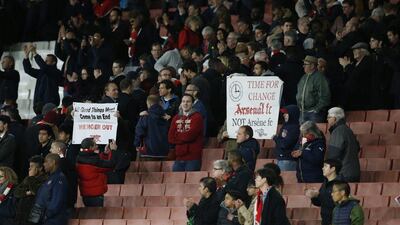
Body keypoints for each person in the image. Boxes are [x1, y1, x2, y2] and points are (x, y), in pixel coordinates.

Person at [76, 138, 116, 207]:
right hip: (96, 195)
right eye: (95, 144)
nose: (97, 146)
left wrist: (105, 154)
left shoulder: (79, 158)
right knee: (97, 215)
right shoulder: (94, 160)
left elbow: (101, 164)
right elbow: (110, 165)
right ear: (91, 147)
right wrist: (113, 151)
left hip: (85, 194)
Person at [30, 154, 68, 225]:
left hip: (53, 220)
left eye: (46, 162)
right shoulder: (50, 178)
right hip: (44, 219)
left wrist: (46, 215)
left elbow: (57, 201)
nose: (44, 164)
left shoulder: (59, 178)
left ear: (53, 162)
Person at [168, 94, 204, 171]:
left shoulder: (197, 117)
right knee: (176, 182)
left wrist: (177, 135)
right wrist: (184, 136)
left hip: (193, 158)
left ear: (192, 104)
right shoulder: (176, 118)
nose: (185, 103)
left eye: (188, 101)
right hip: (178, 157)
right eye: (183, 101)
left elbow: (190, 136)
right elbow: (170, 138)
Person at [325, 107, 360, 182]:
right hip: (353, 171)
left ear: (334, 119)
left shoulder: (338, 131)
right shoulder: (348, 130)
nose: (327, 119)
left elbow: (333, 155)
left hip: (343, 174)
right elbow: (357, 148)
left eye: (328, 117)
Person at [306, 159, 342, 225]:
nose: (323, 168)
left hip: (337, 221)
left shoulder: (340, 184)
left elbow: (338, 203)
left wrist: (319, 195)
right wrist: (314, 196)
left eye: (325, 166)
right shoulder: (325, 183)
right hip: (325, 220)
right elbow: (320, 203)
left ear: (333, 169)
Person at [296, 55, 331, 123]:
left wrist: (316, 109)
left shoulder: (320, 78)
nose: (303, 66)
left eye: (305, 64)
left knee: (313, 132)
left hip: (314, 114)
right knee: (303, 132)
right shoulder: (303, 77)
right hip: (302, 112)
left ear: (312, 66)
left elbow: (325, 96)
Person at [14, 156, 47, 225]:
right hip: (21, 213)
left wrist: (31, 177)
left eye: (32, 166)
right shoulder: (28, 178)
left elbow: (36, 191)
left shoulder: (45, 179)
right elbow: (16, 192)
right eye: (29, 166)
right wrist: (27, 193)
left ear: (40, 168)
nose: (29, 168)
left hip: (33, 214)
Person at [273, 105, 300, 171]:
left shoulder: (295, 128)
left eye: (286, 113)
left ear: (292, 114)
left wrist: (276, 138)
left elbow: (284, 144)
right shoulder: (285, 126)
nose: (284, 115)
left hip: (287, 160)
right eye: (284, 113)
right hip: (280, 158)